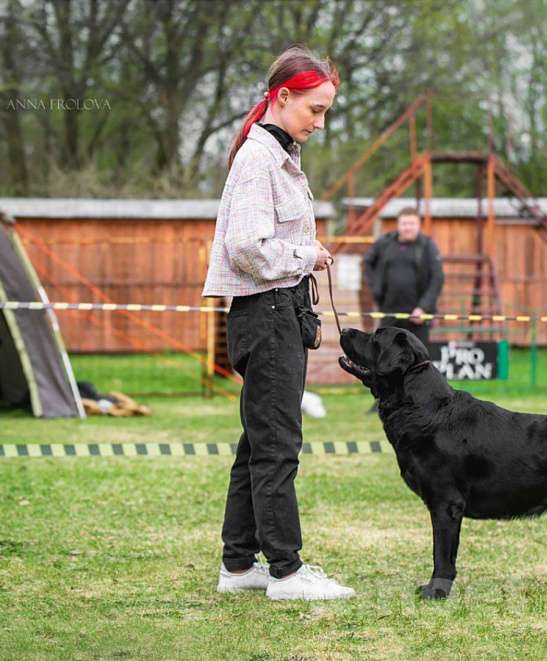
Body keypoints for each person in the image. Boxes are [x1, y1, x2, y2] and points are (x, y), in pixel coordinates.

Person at [202, 45, 353, 601]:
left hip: (275, 314)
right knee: (277, 447)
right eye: (314, 109)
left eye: (325, 111)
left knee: (257, 443)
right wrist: (305, 254)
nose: (320, 122)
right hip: (265, 315)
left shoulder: (278, 155)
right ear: (283, 97)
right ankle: (287, 572)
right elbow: (246, 247)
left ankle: (239, 566)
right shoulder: (258, 159)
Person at [363, 207, 445, 346]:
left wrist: (423, 307)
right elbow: (367, 261)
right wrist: (375, 288)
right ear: (398, 224)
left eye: (412, 224)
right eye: (404, 223)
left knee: (417, 360)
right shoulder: (385, 243)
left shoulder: (427, 246)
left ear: (418, 225)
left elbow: (437, 278)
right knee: (385, 355)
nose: (408, 228)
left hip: (417, 315)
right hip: (389, 313)